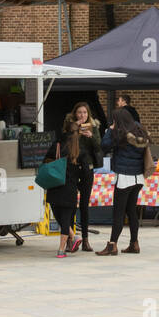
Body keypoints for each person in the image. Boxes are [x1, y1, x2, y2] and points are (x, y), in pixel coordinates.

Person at [97, 108, 150, 256]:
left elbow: (104, 146)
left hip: (124, 176)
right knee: (131, 211)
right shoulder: (139, 129)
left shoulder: (119, 133)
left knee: (118, 212)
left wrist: (109, 130)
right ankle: (134, 243)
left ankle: (112, 245)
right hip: (138, 176)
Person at [42, 115, 95, 258]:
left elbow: (45, 161)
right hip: (70, 188)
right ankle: (64, 246)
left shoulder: (57, 145)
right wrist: (79, 184)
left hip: (54, 186)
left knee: (59, 216)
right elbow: (86, 172)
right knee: (65, 218)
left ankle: (64, 246)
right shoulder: (81, 151)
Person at [65, 102, 102, 252]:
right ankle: (71, 239)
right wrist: (75, 131)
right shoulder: (70, 126)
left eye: (85, 113)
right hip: (72, 167)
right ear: (75, 114)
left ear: (88, 114)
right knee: (71, 204)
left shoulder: (93, 126)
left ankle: (86, 239)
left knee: (85, 205)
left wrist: (91, 136)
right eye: (79, 113)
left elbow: (99, 147)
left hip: (87, 167)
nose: (82, 115)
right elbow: (64, 142)